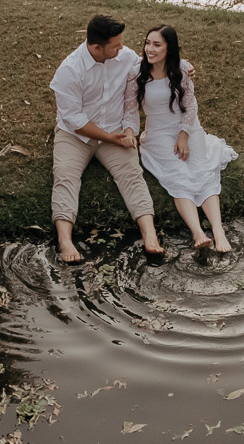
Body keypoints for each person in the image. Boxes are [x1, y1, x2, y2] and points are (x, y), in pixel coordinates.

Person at [49, 14, 164, 263]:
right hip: (74, 136)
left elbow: (153, 67)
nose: (121, 48)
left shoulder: (125, 58)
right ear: (96, 47)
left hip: (115, 130)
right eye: (116, 45)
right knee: (65, 175)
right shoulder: (70, 70)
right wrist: (109, 138)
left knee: (132, 174)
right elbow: (74, 120)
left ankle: (150, 234)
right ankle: (65, 239)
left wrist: (184, 68)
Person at [123, 25, 238, 253]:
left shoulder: (182, 69)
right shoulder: (136, 73)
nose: (150, 49)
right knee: (179, 174)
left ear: (170, 47)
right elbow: (129, 110)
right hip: (158, 132)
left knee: (201, 170)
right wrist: (129, 132)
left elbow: (190, 105)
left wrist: (184, 134)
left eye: (157, 44)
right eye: (147, 43)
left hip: (187, 127)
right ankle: (198, 233)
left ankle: (218, 231)